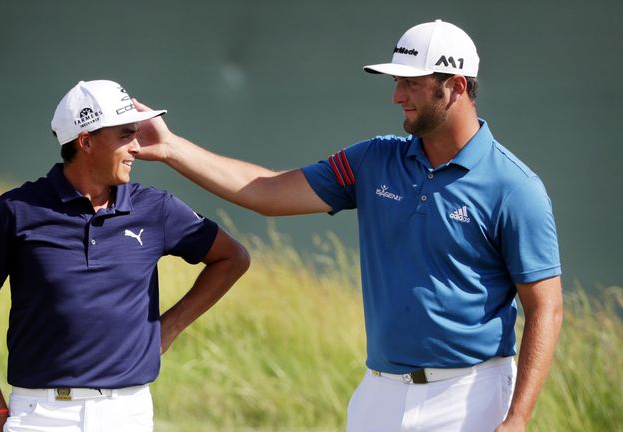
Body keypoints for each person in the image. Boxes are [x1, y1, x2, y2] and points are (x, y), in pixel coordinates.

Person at [133, 19, 563, 432]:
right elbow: (265, 192)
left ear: (456, 87)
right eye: (396, 82)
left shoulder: (514, 187)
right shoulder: (374, 160)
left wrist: (518, 417)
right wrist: (171, 147)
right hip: (380, 391)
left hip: (471, 395)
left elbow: (546, 307)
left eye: (410, 83)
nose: (397, 96)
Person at [0, 79, 250, 432]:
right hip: (39, 417)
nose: (136, 147)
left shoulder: (155, 208)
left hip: (127, 414)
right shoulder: (17, 211)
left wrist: (167, 329)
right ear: (86, 141)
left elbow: (232, 258)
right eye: (125, 135)